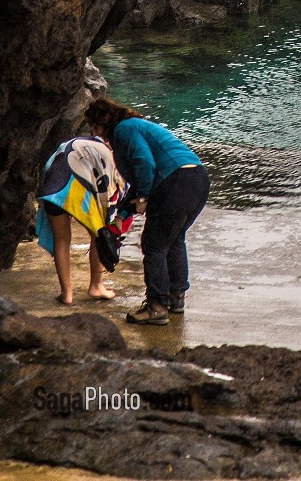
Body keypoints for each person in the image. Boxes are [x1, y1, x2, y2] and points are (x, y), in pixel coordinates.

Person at [85, 97, 210, 327]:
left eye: (93, 127)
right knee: (173, 240)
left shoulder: (123, 129)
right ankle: (175, 298)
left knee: (153, 246)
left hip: (176, 182)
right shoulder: (135, 127)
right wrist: (122, 215)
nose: (94, 133)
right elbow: (141, 181)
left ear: (102, 122)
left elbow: (145, 164)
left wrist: (143, 197)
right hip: (197, 180)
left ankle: (156, 306)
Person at [36, 135, 128, 305]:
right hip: (78, 190)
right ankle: (96, 286)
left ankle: (67, 294)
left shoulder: (73, 143)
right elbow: (114, 192)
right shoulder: (112, 156)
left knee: (62, 239)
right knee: (98, 235)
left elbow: (48, 168)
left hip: (54, 189)